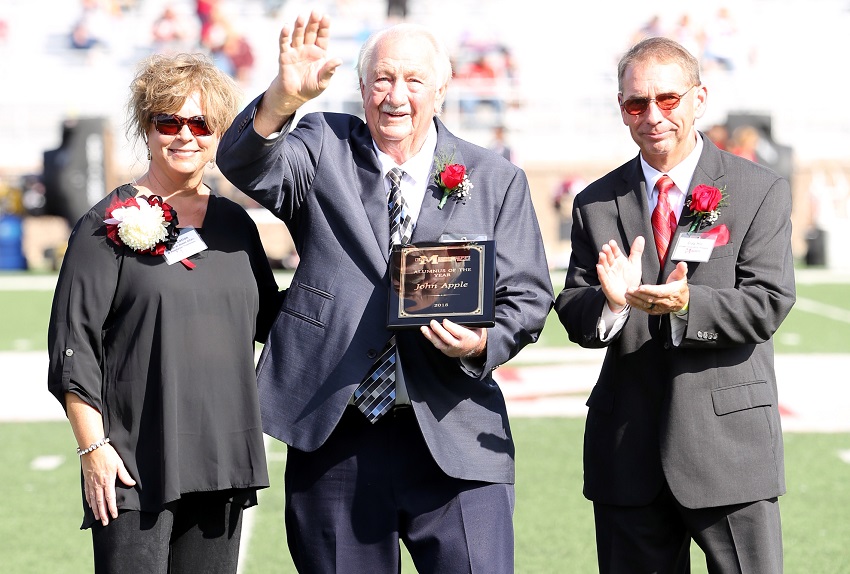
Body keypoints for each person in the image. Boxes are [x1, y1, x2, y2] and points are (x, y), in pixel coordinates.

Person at [216, 12, 553, 573]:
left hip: (454, 432)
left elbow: (528, 296)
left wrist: (477, 343)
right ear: (362, 87)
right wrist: (281, 99)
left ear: (442, 91)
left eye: (414, 81)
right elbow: (244, 163)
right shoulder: (322, 143)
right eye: (382, 79)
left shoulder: (495, 178)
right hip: (335, 429)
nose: (396, 96)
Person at [554, 36, 795, 573]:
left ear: (698, 99)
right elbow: (572, 307)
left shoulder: (759, 189)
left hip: (730, 451)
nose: (653, 116)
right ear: (622, 109)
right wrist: (611, 305)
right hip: (626, 453)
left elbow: (769, 302)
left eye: (667, 100)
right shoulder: (595, 201)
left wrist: (686, 304)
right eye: (636, 104)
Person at [47, 52, 282, 573]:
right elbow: (73, 346)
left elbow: (275, 322)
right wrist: (93, 451)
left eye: (200, 123)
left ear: (219, 132)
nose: (184, 135)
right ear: (146, 128)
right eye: (168, 121)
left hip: (222, 458)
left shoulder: (235, 224)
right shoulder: (103, 224)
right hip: (132, 463)